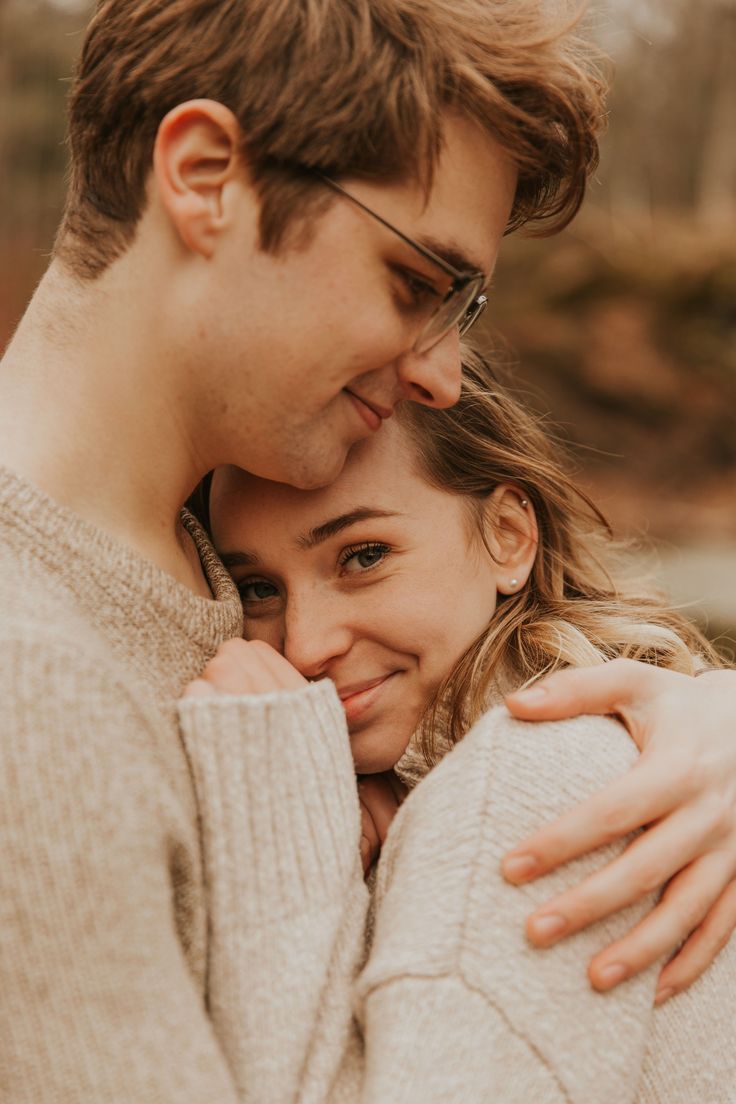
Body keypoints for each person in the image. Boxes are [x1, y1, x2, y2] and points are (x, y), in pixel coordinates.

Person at [0, 0, 734, 1099]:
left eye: (463, 309)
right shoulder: (36, 683)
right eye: (416, 285)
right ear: (203, 175)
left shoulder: (211, 539)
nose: (440, 376)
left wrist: (691, 704)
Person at [182, 350, 736, 1101]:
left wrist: (277, 830)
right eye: (257, 588)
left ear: (509, 535)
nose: (307, 644)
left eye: (364, 555)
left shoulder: (519, 792)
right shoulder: (618, 744)